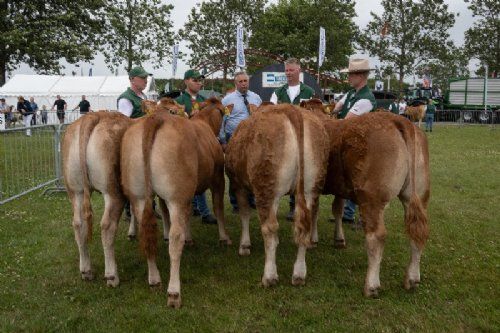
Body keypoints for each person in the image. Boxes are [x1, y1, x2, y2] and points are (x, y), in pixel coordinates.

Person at [270, 58, 315, 221]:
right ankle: (283, 201)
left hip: (305, 136)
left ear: (299, 71)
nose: (288, 73)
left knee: (302, 169)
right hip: (284, 137)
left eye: (292, 70)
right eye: (287, 70)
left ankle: (296, 204)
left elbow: (316, 114)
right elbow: (272, 113)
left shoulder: (309, 92)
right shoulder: (278, 92)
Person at [332, 58, 376, 225]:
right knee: (346, 179)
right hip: (347, 144)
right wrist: (333, 111)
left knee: (358, 181)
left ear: (361, 76)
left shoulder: (366, 99)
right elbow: (336, 107)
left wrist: (333, 116)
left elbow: (347, 121)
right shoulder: (351, 93)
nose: (348, 78)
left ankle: (359, 214)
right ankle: (347, 213)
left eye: (351, 75)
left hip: (359, 146)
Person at [175, 69, 217, 225]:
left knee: (202, 175)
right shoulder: (179, 101)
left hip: (203, 144)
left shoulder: (205, 100)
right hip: (184, 144)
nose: (199, 83)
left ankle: (204, 211)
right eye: (195, 80)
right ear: (186, 81)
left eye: (200, 80)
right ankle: (194, 208)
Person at [220, 71, 262, 212]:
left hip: (252, 139)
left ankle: (251, 199)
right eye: (240, 81)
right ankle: (236, 203)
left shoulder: (256, 98)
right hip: (234, 138)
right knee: (234, 171)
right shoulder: (227, 100)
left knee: (251, 169)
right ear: (235, 83)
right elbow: (222, 122)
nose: (244, 83)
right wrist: (223, 141)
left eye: (245, 81)